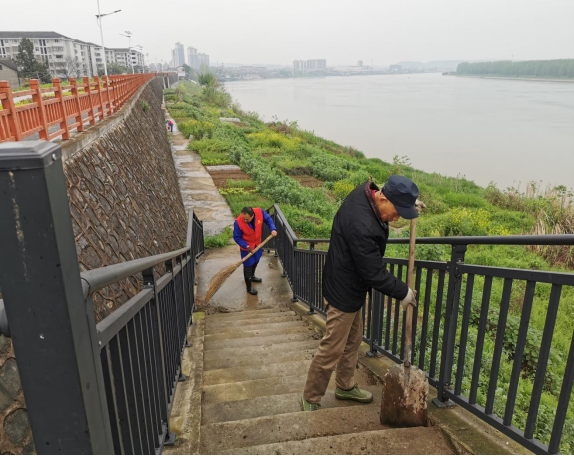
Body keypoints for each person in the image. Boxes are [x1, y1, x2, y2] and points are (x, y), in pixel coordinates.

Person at [301, 176, 420, 412]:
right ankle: (311, 397)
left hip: (351, 284)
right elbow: (373, 273)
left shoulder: (365, 193)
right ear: (383, 199)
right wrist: (403, 292)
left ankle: (345, 386)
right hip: (343, 290)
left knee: (354, 339)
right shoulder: (361, 225)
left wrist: (409, 203)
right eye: (397, 212)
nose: (396, 218)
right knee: (333, 347)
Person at [233, 207, 278, 295]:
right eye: (243, 218)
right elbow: (237, 237)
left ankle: (252, 276)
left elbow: (268, 219)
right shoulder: (238, 222)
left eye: (247, 219)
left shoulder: (259, 212)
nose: (244, 220)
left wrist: (272, 228)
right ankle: (249, 287)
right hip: (247, 248)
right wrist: (246, 246)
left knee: (256, 260)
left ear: (252, 215)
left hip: (257, 244)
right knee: (248, 266)